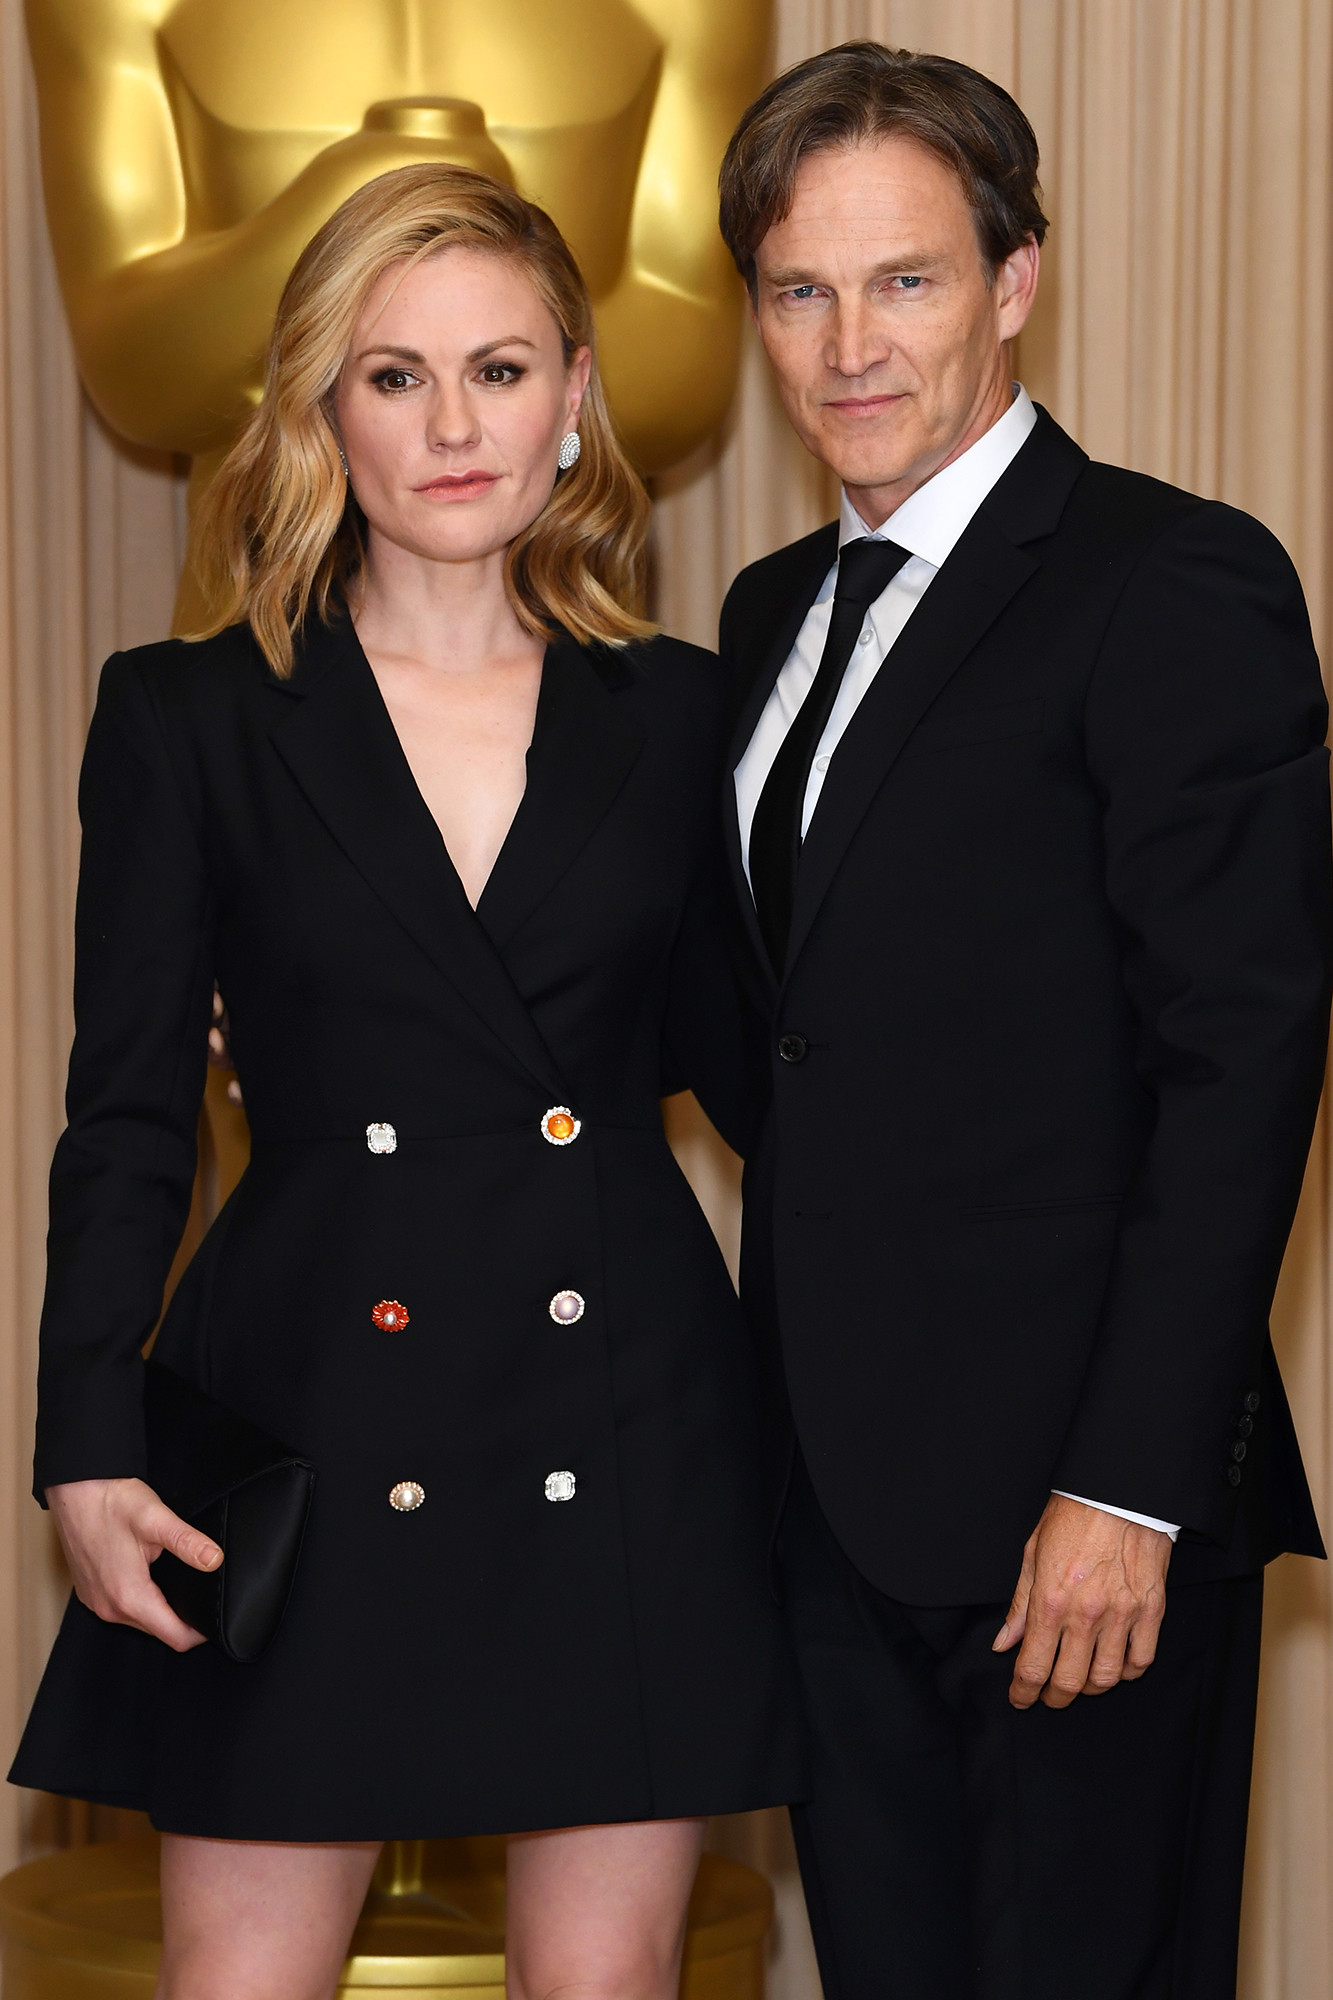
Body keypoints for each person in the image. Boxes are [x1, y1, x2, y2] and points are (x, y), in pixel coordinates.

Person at [9, 163, 802, 2000]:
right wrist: (84, 1439)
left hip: (617, 1415)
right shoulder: (189, 714)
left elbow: (763, 1072)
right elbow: (124, 1115)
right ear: (320, 409)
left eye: (499, 370)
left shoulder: (688, 714)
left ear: (575, 394)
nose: (453, 427)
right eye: (394, 376)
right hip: (305, 1407)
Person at [714, 43, 1332, 2000]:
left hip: (1079, 1520)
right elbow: (758, 1029)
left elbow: (1241, 1059)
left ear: (1013, 281)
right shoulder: (763, 616)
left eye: (901, 280)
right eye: (800, 292)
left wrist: (1126, 1486)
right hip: (825, 1504)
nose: (848, 346)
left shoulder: (1170, 578)